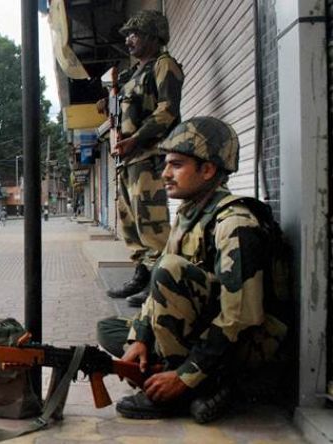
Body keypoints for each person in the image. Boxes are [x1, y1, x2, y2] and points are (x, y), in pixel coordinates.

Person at [96, 117, 288, 423]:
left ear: (208, 170)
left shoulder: (235, 223)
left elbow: (240, 317)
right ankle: (199, 382)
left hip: (247, 344)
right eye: (165, 164)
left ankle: (183, 389)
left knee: (169, 271)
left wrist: (184, 376)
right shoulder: (190, 213)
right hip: (205, 327)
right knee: (111, 330)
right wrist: (140, 339)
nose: (165, 174)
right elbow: (158, 292)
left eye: (176, 165)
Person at [101, 10, 184, 307]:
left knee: (153, 225)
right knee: (130, 223)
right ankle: (141, 273)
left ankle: (159, 288)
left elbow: (167, 111)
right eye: (127, 36)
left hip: (150, 156)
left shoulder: (164, 66)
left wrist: (137, 138)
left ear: (152, 36)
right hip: (128, 160)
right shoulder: (133, 73)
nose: (129, 40)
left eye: (134, 34)